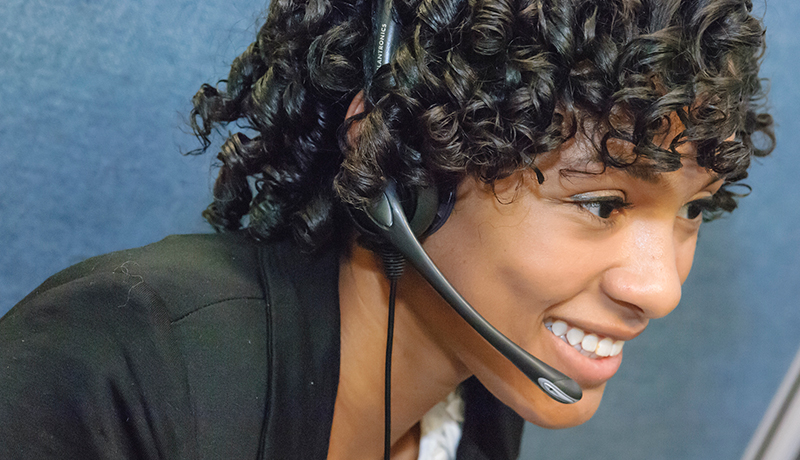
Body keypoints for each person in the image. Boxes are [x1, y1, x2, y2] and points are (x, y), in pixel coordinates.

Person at [0, 0, 774, 458]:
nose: (661, 288)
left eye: (693, 209)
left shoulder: (481, 409)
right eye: (602, 203)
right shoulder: (122, 364)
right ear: (402, 159)